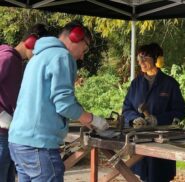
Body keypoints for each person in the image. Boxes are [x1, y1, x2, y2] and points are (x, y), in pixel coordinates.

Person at [8, 21, 109, 181]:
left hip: (18, 143)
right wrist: (92, 119)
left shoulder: (37, 56)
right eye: (85, 49)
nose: (82, 55)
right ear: (76, 37)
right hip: (39, 145)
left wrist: (81, 114)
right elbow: (64, 103)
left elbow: (56, 97)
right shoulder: (62, 56)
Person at [122, 43, 185, 182]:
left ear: (156, 59)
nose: (141, 62)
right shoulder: (136, 83)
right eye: (139, 59)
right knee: (139, 175)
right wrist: (133, 119)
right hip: (140, 140)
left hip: (162, 142)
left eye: (145, 58)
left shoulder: (170, 84)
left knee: (159, 176)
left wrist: (158, 119)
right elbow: (126, 108)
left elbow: (180, 111)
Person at [0, 23, 49, 182]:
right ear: (30, 41)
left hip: (9, 133)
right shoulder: (7, 58)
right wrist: (1, 114)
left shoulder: (18, 62)